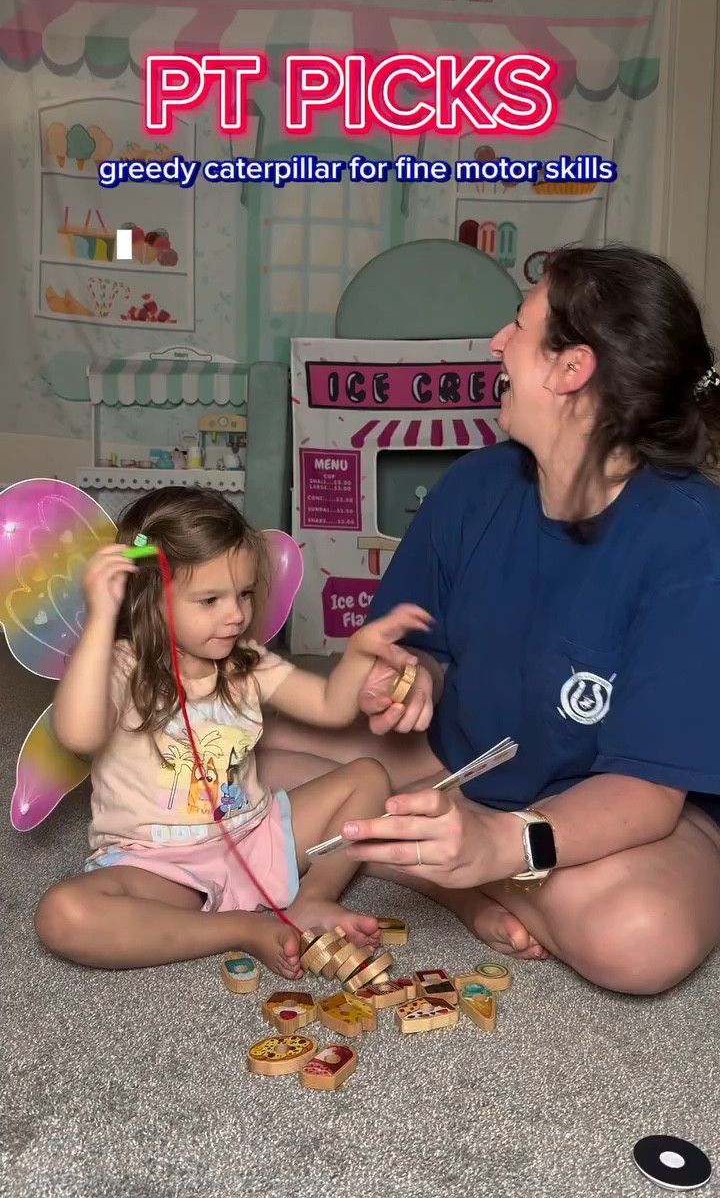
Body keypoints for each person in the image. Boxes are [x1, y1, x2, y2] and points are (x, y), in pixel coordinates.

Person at [256, 243, 720, 996]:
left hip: (616, 811)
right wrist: (410, 677)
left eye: (519, 326)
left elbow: (646, 793)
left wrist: (500, 843)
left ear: (571, 370)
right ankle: (448, 869)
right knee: (233, 743)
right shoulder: (475, 485)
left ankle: (445, 856)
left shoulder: (692, 540)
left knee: (641, 937)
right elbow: (415, 645)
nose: (497, 344)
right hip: (463, 759)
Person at [34, 487, 430, 975]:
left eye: (243, 593)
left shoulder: (245, 661)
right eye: (210, 600)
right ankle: (240, 928)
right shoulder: (119, 665)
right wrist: (100, 619)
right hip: (161, 865)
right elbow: (77, 735)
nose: (237, 614)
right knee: (63, 915)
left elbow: (330, 705)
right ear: (149, 599)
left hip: (257, 837)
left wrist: (360, 652)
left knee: (369, 777)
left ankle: (313, 898)